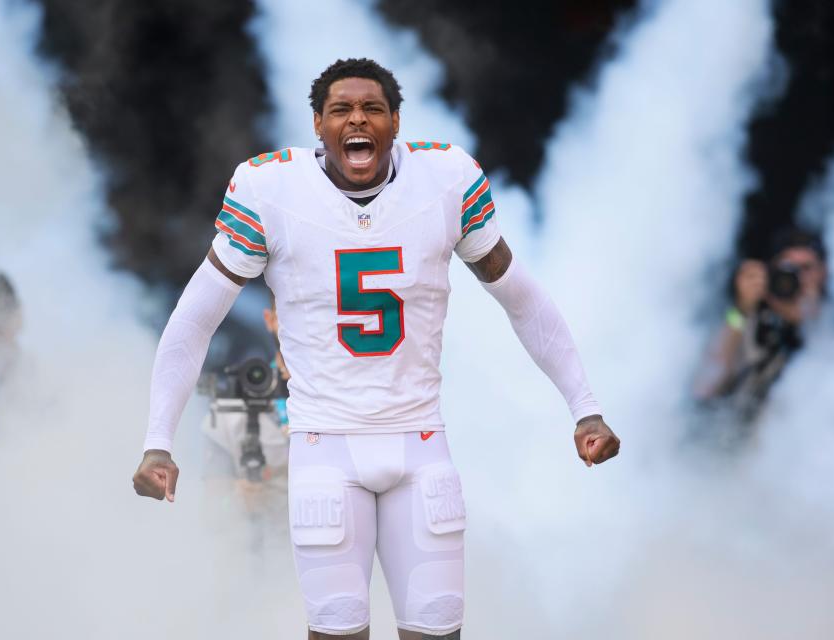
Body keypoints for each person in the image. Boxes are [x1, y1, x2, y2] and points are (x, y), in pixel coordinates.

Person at [132, 58, 620, 640]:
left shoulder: (445, 180)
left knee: (439, 633)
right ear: (318, 124)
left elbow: (522, 299)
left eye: (372, 108)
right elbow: (193, 321)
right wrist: (157, 440)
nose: (356, 119)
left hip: (420, 442)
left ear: (395, 122)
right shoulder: (271, 190)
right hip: (325, 447)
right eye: (340, 109)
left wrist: (585, 406)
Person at [694, 228, 828, 429]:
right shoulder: (748, 320)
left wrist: (810, 319)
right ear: (771, 271)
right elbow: (705, 385)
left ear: (823, 273)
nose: (797, 277)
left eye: (806, 268)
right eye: (788, 268)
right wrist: (741, 310)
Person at [199, 300, 290, 542]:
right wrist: (237, 499)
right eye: (290, 310)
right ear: (271, 320)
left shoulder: (351, 397)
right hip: (266, 563)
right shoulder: (230, 414)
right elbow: (211, 514)